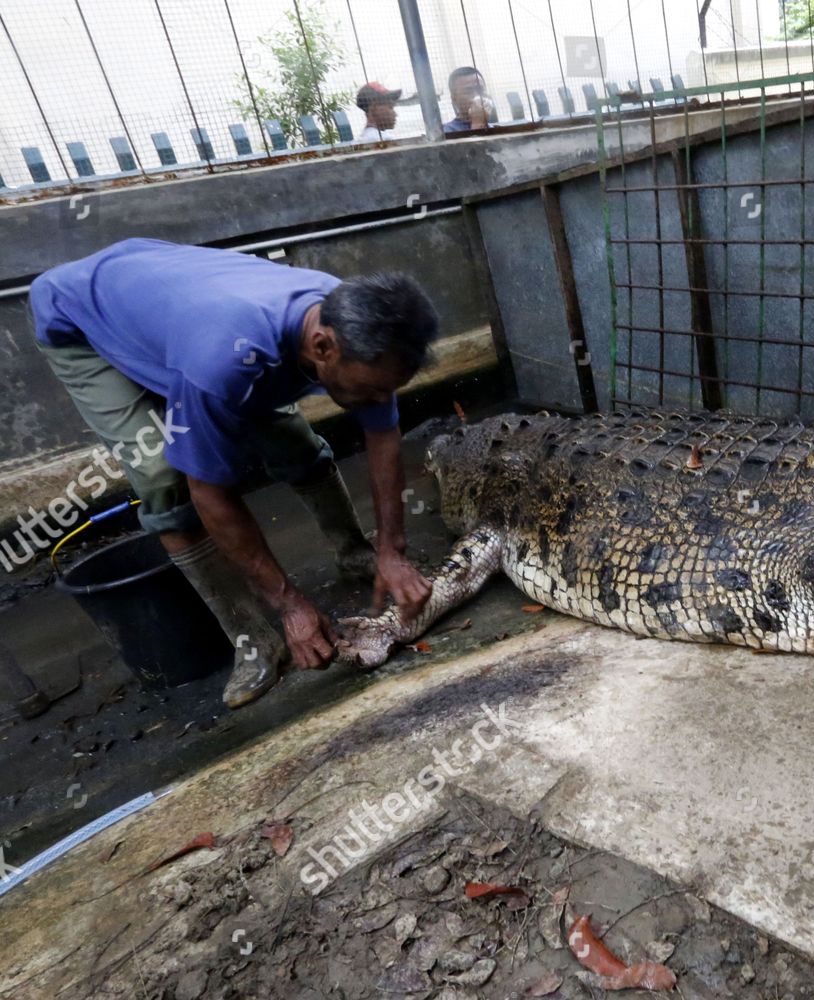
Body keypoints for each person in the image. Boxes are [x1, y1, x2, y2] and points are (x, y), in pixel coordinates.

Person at [29, 239, 438, 709]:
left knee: (293, 442)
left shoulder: (361, 326)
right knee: (163, 479)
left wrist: (392, 550)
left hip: (172, 301)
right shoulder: (223, 360)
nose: (380, 400)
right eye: (373, 391)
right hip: (81, 318)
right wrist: (289, 604)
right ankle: (252, 640)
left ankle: (356, 552)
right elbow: (209, 492)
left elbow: (383, 435)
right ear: (323, 346)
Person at [443, 66, 493, 134]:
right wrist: (478, 123)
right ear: (454, 98)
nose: (477, 96)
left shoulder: (494, 127)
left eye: (480, 89)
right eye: (468, 92)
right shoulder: (447, 131)